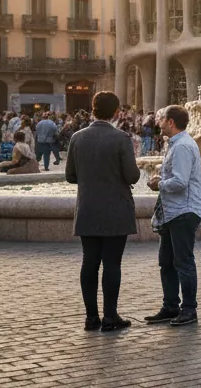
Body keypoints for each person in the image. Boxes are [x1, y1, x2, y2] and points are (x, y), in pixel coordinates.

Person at [65, 91, 141, 332]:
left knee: (89, 262)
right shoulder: (121, 138)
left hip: (87, 208)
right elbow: (132, 175)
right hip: (116, 208)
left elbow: (69, 176)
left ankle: (90, 318)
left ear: (93, 109)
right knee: (112, 264)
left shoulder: (77, 137)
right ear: (117, 111)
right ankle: (110, 317)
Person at [145, 105, 201, 327]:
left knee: (183, 262)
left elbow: (180, 182)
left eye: (161, 119)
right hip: (173, 212)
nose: (158, 122)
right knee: (167, 262)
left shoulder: (182, 147)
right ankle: (170, 306)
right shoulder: (176, 145)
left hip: (183, 211)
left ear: (171, 122)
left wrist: (158, 183)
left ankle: (189, 309)